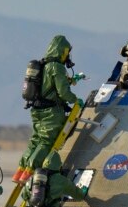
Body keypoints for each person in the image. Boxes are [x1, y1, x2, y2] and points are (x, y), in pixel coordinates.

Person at [12, 35, 84, 184]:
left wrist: (71, 80)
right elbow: (63, 92)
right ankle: (29, 173)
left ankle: (20, 171)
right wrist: (76, 102)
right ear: (62, 50)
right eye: (66, 52)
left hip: (37, 111)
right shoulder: (57, 67)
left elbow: (49, 86)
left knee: (35, 141)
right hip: (51, 113)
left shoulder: (43, 65)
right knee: (46, 142)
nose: (68, 56)